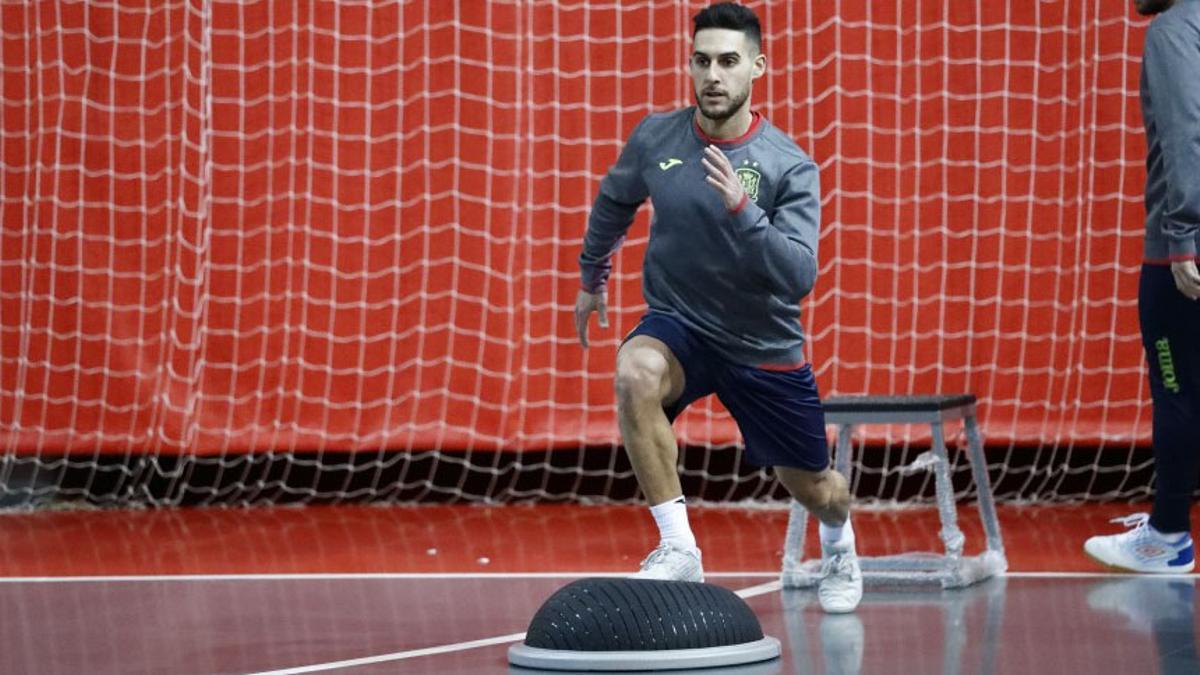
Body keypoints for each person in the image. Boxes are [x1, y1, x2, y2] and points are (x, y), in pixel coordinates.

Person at [573, 1, 862, 612]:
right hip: (682, 325)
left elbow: (798, 277)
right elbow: (613, 200)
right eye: (701, 60)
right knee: (635, 370)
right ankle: (678, 548)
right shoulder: (657, 136)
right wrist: (592, 274)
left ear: (756, 67)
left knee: (816, 489)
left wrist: (742, 209)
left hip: (763, 344)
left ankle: (839, 545)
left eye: (728, 61)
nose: (713, 75)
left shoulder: (790, 165)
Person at [1084, 0, 1200, 573]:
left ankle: (1169, 534)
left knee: (1177, 390)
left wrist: (1182, 234)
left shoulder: (1174, 29)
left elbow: (1185, 131)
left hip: (1182, 253)